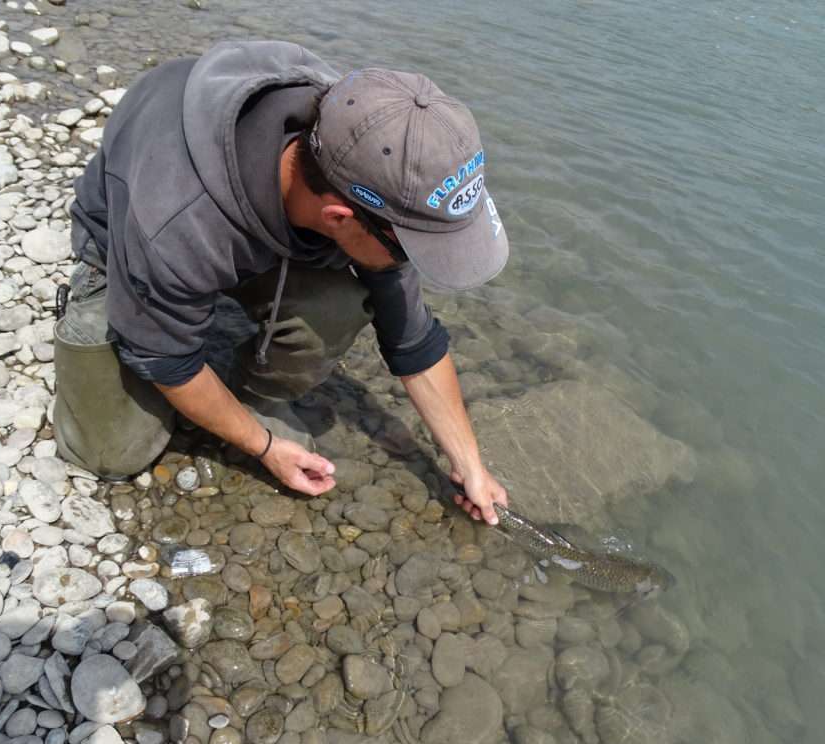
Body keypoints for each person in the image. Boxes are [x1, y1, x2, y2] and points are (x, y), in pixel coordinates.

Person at [53, 40, 509, 524]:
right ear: (339, 218)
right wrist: (263, 445)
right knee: (113, 453)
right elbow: (168, 360)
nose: (411, 262)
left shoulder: (364, 149)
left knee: (337, 306)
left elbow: (412, 339)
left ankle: (244, 389)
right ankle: (102, 303)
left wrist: (470, 466)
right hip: (128, 245)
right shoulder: (176, 219)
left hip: (258, 237)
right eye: (409, 249)